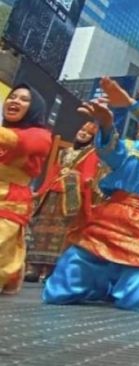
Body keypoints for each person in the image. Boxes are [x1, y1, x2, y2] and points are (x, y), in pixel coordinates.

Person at [42, 77, 139, 311]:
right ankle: (102, 284)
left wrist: (130, 103)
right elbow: (110, 153)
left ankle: (116, 284)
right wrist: (106, 124)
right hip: (111, 218)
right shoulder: (128, 146)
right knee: (59, 290)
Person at [26, 122, 102, 282]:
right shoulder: (64, 152)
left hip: (70, 197)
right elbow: (52, 173)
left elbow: (88, 175)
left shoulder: (91, 153)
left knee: (62, 233)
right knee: (40, 228)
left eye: (88, 134)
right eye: (81, 130)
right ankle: (33, 268)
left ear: (92, 139)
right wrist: (40, 192)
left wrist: (83, 179)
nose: (83, 134)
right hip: (51, 194)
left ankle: (52, 271)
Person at [0, 84, 52, 295]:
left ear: (34, 109)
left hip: (10, 199)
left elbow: (24, 144)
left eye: (23, 99)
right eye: (12, 97)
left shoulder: (40, 135)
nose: (14, 101)